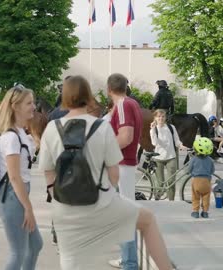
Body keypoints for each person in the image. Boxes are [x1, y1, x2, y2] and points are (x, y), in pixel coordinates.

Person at [38, 75, 173, 270]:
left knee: (70, 259)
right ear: (88, 96)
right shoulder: (101, 126)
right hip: (96, 199)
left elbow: (47, 170)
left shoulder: (52, 127)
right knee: (146, 220)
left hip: (65, 203)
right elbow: (113, 174)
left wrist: (54, 192)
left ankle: (127, 261)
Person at [0, 85, 43, 270]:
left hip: (18, 196)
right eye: (29, 103)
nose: (34, 106)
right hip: (12, 198)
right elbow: (14, 177)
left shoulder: (21, 133)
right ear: (16, 107)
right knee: (18, 252)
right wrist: (28, 209)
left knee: (35, 244)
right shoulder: (11, 138)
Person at [106, 73, 143, 270]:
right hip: (125, 164)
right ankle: (127, 259)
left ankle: (129, 263)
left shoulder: (122, 105)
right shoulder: (132, 104)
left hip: (121, 164)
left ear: (109, 89)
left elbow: (126, 136)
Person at [150, 109, 186, 201]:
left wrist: (181, 145)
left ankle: (171, 202)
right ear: (155, 118)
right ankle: (157, 199)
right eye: (158, 116)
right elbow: (154, 143)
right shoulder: (153, 129)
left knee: (171, 182)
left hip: (171, 157)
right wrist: (153, 130)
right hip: (158, 158)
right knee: (160, 183)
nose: (161, 118)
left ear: (165, 118)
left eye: (163, 116)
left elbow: (176, 140)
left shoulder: (171, 127)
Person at [188, 137, 215, 218]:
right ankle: (205, 212)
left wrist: (190, 173)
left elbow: (189, 169)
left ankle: (195, 212)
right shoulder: (210, 160)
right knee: (206, 197)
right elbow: (212, 170)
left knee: (195, 197)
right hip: (207, 181)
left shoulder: (194, 159)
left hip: (196, 180)